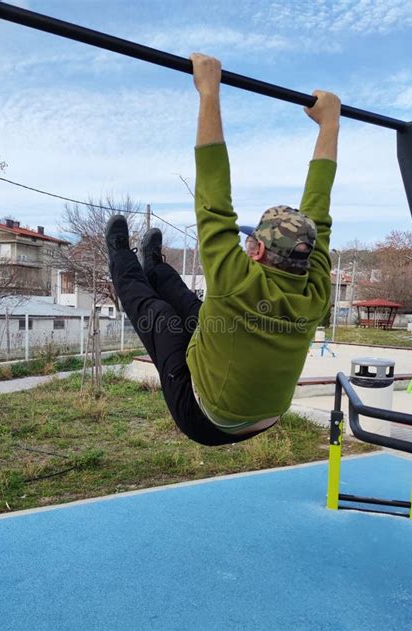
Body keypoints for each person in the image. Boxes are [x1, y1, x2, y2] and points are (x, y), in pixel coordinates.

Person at [105, 53, 340, 446]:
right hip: (266, 416)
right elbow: (320, 212)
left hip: (205, 418)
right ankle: (156, 267)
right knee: (197, 310)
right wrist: (330, 123)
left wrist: (208, 91)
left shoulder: (238, 279)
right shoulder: (315, 289)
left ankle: (120, 258)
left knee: (160, 314)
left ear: (259, 252)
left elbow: (214, 199)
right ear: (306, 253)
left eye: (251, 241)